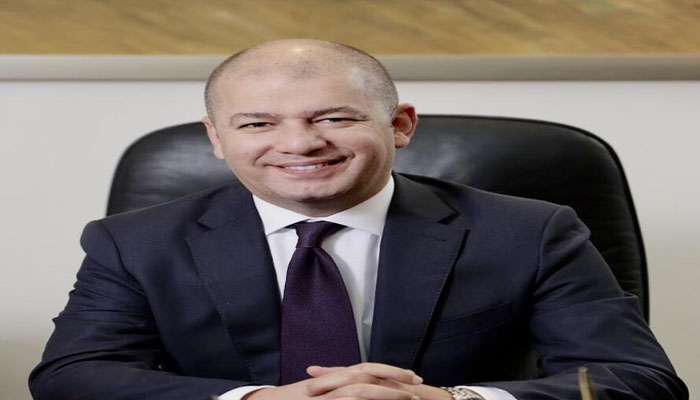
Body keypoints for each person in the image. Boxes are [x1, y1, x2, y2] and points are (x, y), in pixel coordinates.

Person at [29, 39, 687, 400]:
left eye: (334, 117)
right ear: (217, 139)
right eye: (257, 124)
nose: (299, 143)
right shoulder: (135, 243)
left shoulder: (531, 232)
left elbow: (639, 381)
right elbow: (71, 378)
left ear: (399, 125)